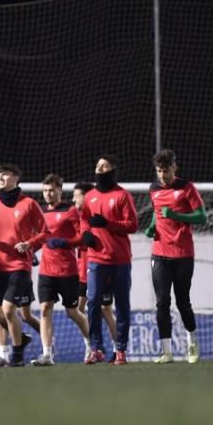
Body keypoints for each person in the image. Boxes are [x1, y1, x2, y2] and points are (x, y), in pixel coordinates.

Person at [0, 164, 48, 367]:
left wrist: (29, 244)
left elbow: (45, 233)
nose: (0, 177)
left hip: (19, 266)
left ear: (16, 178)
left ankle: (16, 356)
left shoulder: (29, 204)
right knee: (0, 314)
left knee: (9, 310)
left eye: (5, 174)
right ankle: (22, 341)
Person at [146, 149, 207, 363]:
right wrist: (152, 227)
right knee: (162, 302)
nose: (162, 175)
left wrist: (174, 215)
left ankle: (192, 344)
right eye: (159, 171)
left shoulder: (186, 187)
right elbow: (157, 212)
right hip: (160, 253)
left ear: (175, 168)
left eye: (166, 170)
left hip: (182, 253)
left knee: (183, 302)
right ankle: (167, 352)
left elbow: (202, 217)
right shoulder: (153, 189)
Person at [81, 156, 138, 365]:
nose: (99, 169)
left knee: (122, 304)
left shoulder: (122, 195)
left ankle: (120, 349)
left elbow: (132, 225)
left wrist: (107, 223)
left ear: (113, 169)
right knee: (93, 301)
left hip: (120, 259)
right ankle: (96, 348)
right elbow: (84, 220)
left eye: (103, 166)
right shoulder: (90, 197)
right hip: (96, 259)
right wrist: (86, 234)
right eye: (97, 166)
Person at [30, 174, 91, 366]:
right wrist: (32, 251)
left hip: (67, 270)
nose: (48, 194)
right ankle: (47, 354)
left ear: (60, 191)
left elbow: (82, 237)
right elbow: (40, 238)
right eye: (45, 190)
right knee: (45, 308)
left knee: (72, 312)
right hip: (46, 271)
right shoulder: (40, 213)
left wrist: (65, 242)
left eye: (52, 190)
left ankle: (91, 346)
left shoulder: (71, 211)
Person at [73, 181, 116, 361]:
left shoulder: (97, 215)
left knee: (106, 309)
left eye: (77, 195)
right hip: (82, 274)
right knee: (79, 309)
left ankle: (118, 348)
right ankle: (92, 347)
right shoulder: (75, 216)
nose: (74, 199)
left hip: (100, 269)